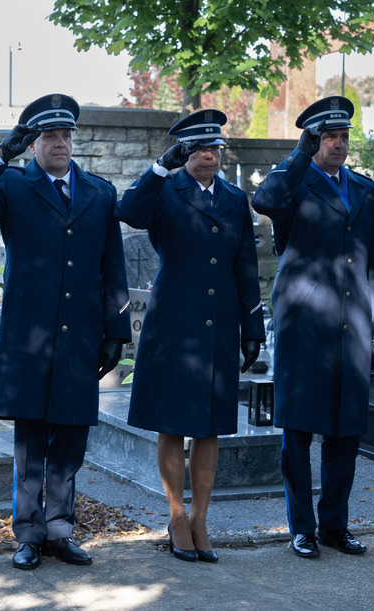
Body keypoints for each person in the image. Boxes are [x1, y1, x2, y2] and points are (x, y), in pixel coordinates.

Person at [0, 93, 131, 570]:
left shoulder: (98, 192)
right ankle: (28, 533)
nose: (60, 143)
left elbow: (113, 266)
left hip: (80, 337)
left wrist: (115, 331)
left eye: (66, 134)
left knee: (70, 440)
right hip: (28, 338)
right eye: (50, 136)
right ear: (33, 144)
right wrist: (0, 154)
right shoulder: (12, 185)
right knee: (30, 442)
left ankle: (60, 531)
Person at [119, 109, 265, 563]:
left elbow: (245, 265)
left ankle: (201, 517)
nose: (209, 156)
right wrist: (160, 167)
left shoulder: (235, 198)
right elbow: (128, 210)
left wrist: (252, 327)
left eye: (214, 148)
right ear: (183, 153)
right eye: (199, 149)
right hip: (174, 323)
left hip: (219, 324)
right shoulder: (165, 189)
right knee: (173, 422)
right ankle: (177, 515)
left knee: (210, 425)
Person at [251, 96, 374, 559]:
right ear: (313, 141)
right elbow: (265, 201)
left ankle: (335, 525)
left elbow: (373, 257)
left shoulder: (363, 188)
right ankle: (302, 528)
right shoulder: (293, 180)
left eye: (343, 136)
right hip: (305, 322)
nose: (338, 144)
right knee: (298, 430)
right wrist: (299, 153)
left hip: (351, 324)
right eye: (329, 136)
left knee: (346, 432)